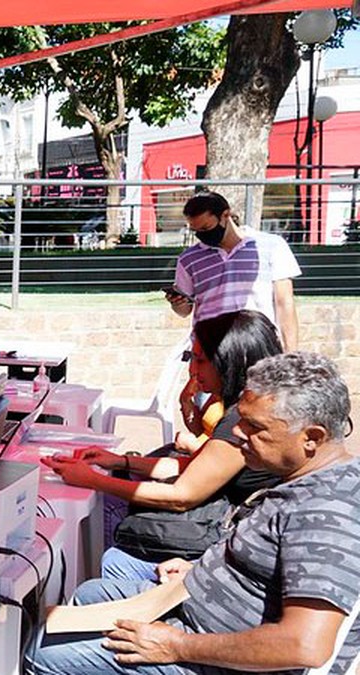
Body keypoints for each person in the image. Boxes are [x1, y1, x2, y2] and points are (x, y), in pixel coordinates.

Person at [27, 352, 360, 675]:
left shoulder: (330, 511)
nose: (238, 432)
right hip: (190, 608)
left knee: (40, 651)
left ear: (311, 438)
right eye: (241, 418)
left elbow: (304, 645)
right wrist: (201, 568)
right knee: (88, 594)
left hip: (215, 654)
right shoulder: (306, 478)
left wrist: (178, 645)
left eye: (255, 426)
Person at [44, 311, 282, 581]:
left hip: (223, 537)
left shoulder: (241, 420)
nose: (193, 369)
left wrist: (92, 480)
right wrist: (119, 461)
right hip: (223, 522)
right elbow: (193, 466)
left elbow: (182, 496)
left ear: (230, 361)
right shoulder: (243, 408)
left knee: (111, 534)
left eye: (200, 360)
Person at [168, 191, 301, 350]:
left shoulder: (272, 246)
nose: (203, 235)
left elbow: (284, 303)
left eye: (207, 228)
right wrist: (178, 303)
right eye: (196, 231)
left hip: (259, 343)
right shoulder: (189, 258)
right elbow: (184, 311)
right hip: (211, 347)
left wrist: (291, 353)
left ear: (226, 215)